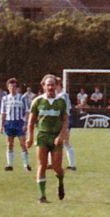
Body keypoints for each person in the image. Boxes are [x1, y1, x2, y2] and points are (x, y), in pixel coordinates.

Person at [25, 74, 69, 203]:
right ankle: (42, 196)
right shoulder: (38, 101)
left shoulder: (61, 102)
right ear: (43, 86)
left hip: (56, 137)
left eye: (52, 84)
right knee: (42, 165)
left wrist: (61, 136)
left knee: (56, 167)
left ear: (56, 86)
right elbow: (31, 121)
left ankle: (60, 181)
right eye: (48, 84)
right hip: (42, 136)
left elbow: (65, 121)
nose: (50, 87)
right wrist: (30, 137)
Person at [0, 78, 31, 172]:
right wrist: (1, 125)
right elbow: (3, 112)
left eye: (14, 86)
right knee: (9, 143)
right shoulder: (5, 98)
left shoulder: (22, 97)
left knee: (22, 143)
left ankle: (26, 164)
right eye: (10, 86)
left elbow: (27, 111)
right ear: (8, 87)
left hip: (19, 122)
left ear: (16, 87)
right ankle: (10, 164)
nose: (12, 88)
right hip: (9, 122)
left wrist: (26, 123)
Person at [56, 85, 78, 170]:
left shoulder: (63, 95)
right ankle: (51, 163)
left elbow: (63, 109)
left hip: (65, 120)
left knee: (65, 142)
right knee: (56, 142)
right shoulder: (59, 95)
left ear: (58, 85)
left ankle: (72, 165)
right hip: (59, 121)